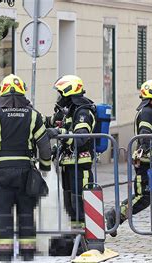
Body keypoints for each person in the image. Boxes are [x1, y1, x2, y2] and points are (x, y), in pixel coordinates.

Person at [0, 74, 51, 262]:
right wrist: (45, 167)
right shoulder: (33, 115)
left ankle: (4, 251)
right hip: (25, 169)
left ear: (2, 93)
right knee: (26, 210)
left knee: (4, 211)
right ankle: (27, 251)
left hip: (1, 171)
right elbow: (44, 145)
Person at [105, 79, 152, 236]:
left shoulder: (151, 111)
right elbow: (145, 138)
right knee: (144, 198)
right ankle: (116, 214)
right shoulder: (146, 112)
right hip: (147, 163)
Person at [46, 75, 97, 230]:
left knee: (80, 201)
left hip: (80, 165)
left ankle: (88, 236)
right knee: (70, 204)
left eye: (61, 93)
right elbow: (51, 121)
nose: (59, 97)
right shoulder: (69, 110)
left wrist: (58, 132)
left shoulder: (83, 112)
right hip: (68, 164)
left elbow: (80, 138)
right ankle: (76, 235)